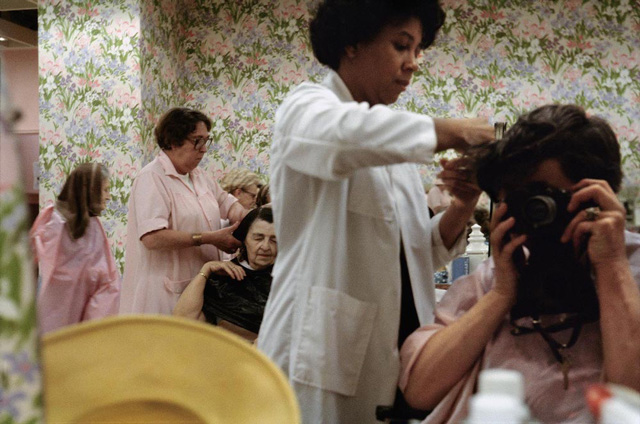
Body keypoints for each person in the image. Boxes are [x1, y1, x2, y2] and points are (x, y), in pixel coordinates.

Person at [256, 1, 495, 422]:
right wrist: (452, 130)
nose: (413, 63)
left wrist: (462, 205)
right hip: (324, 348)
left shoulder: (392, 143)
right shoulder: (306, 108)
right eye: (401, 45)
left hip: (396, 345)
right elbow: (339, 138)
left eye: (418, 50)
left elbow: (416, 252)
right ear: (352, 42)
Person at [399, 104, 640, 423]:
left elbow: (630, 400)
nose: (532, 214)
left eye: (542, 199)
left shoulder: (630, 266)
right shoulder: (498, 274)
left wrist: (611, 267)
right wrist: (501, 295)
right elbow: (419, 390)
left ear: (595, 194)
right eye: (518, 200)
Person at [120, 108, 246, 315]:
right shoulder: (152, 178)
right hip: (166, 293)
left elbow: (228, 203)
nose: (204, 149)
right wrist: (209, 238)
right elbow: (153, 238)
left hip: (199, 288)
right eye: (197, 141)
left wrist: (249, 220)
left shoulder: (200, 176)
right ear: (173, 141)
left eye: (206, 140)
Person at [31, 162, 120, 334]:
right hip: (54, 313)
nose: (108, 197)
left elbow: (106, 277)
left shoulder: (93, 226)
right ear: (90, 189)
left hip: (84, 314)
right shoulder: (54, 221)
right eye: (105, 190)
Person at [173, 206, 277, 342]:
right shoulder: (222, 277)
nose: (265, 246)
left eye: (274, 240)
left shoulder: (287, 282)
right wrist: (206, 270)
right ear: (244, 239)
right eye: (258, 238)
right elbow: (182, 320)